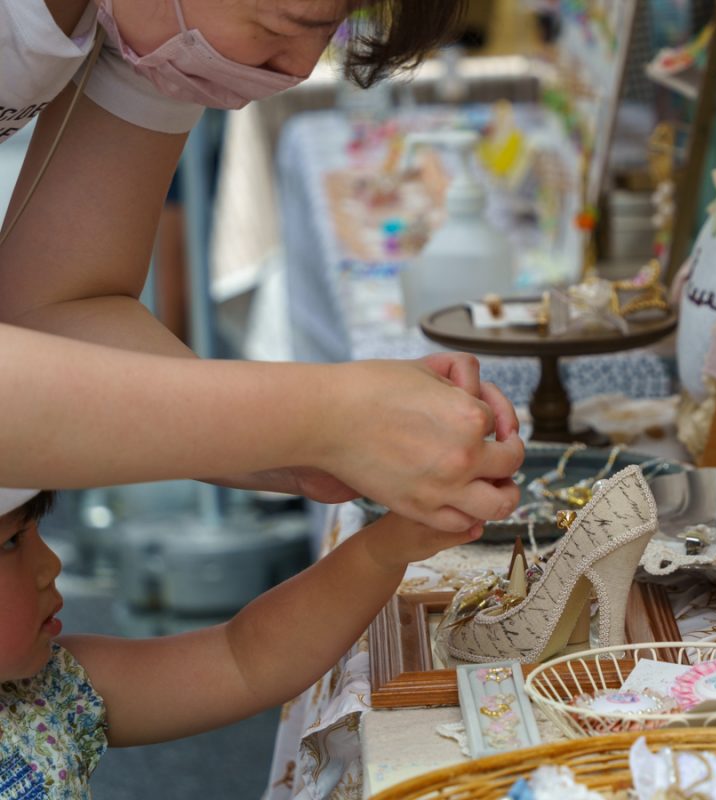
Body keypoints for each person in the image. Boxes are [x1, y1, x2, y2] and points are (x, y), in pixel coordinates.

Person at [0, 0, 523, 536]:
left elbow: (59, 306)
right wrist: (328, 418)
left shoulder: (155, 36)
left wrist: (306, 449)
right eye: (287, 26)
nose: (298, 69)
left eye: (329, 31)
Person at [0, 488, 477, 795]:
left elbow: (244, 659)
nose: (51, 565)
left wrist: (383, 549)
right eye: (11, 542)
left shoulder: (53, 691)